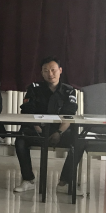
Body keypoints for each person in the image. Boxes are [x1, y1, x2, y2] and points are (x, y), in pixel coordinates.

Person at [13, 56, 85, 196]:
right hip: (38, 129)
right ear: (42, 73)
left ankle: (64, 182)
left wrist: (59, 132)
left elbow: (69, 114)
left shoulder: (69, 90)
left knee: (79, 143)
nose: (50, 74)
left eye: (53, 70)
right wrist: (37, 128)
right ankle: (28, 180)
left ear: (60, 70)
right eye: (46, 70)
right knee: (20, 140)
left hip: (59, 131)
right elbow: (27, 111)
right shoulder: (34, 88)